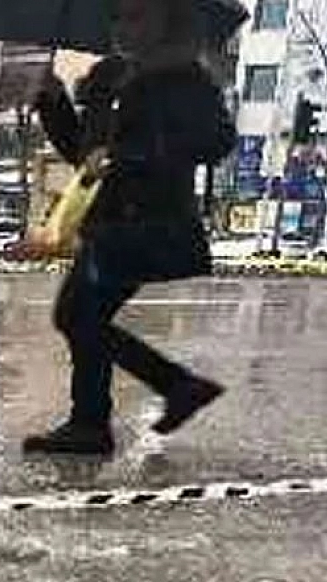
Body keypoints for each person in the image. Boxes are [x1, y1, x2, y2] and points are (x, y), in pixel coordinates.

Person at [24, 0, 237, 456]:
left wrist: (137, 155)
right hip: (110, 221)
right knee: (82, 316)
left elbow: (216, 141)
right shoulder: (110, 79)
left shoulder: (185, 80)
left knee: (78, 315)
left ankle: (127, 408)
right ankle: (118, 412)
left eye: (137, 15)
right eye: (118, 16)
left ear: (169, 20)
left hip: (150, 223)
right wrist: (54, 105)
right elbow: (88, 156)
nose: (123, 26)